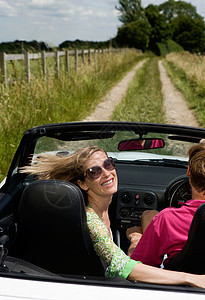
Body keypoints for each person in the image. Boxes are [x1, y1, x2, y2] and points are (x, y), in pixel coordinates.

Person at [20, 145, 205, 288]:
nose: (107, 173)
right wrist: (190, 278)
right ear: (82, 184)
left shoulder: (103, 209)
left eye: (108, 163)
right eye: (94, 171)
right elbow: (123, 267)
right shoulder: (90, 220)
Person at [127, 142, 205, 268]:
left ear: (189, 171)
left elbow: (137, 267)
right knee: (149, 215)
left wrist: (136, 238)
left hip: (177, 283)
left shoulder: (167, 219)